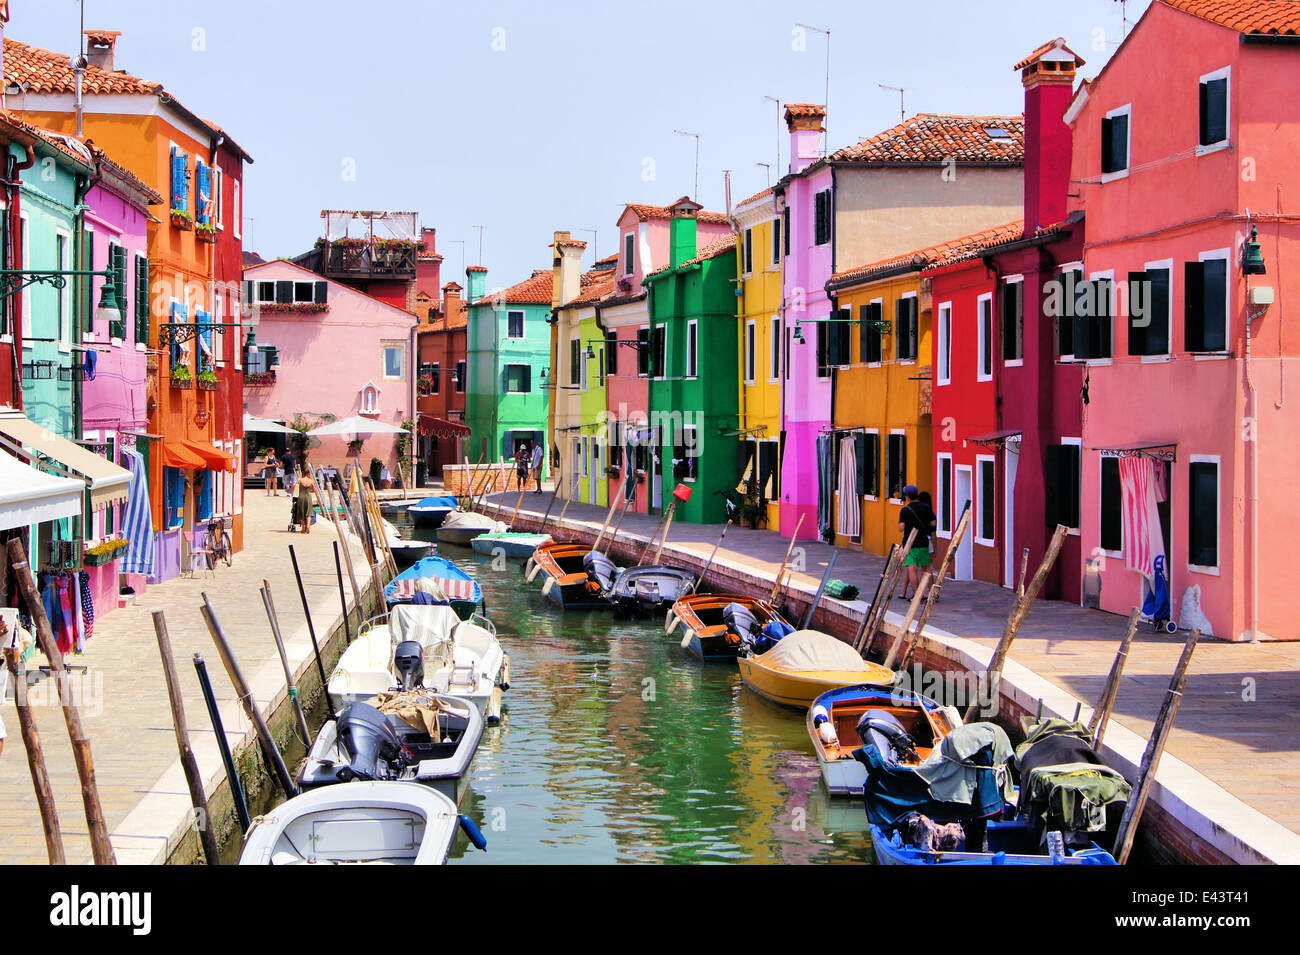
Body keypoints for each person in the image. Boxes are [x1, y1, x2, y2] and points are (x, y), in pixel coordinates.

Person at [897, 484, 936, 601]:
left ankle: (918, 595)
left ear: (907, 496)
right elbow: (933, 523)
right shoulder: (926, 507)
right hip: (923, 542)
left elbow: (901, 528)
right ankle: (933, 593)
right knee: (926, 568)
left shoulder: (905, 510)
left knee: (912, 569)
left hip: (910, 543)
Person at [918, 490, 939, 574]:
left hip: (917, 541)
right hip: (928, 541)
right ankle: (929, 586)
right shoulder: (931, 514)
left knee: (921, 568)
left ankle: (924, 586)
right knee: (927, 567)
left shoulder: (917, 513)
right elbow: (933, 533)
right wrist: (935, 548)